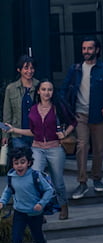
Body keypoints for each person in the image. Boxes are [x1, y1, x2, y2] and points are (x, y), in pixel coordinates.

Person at [6, 79, 75, 220]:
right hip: (37, 148)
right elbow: (33, 131)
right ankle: (39, 210)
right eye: (43, 89)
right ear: (38, 91)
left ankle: (63, 206)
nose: (46, 92)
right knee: (35, 180)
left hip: (54, 147)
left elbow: (73, 121)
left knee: (58, 181)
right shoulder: (33, 109)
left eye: (49, 89)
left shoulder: (58, 107)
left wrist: (65, 133)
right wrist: (14, 130)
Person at [62, 37, 103, 199]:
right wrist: (65, 110)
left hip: (99, 115)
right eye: (84, 48)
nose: (86, 51)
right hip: (80, 115)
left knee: (99, 149)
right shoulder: (75, 69)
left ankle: (97, 178)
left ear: (97, 50)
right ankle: (82, 182)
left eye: (89, 48)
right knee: (82, 146)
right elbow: (63, 90)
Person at [0, 146, 52, 243]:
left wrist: (41, 203)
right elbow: (8, 191)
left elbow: (49, 190)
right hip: (19, 213)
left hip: (35, 213)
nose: (19, 166)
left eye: (22, 162)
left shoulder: (35, 176)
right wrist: (2, 201)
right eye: (16, 163)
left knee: (37, 235)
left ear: (29, 162)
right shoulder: (12, 177)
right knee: (16, 239)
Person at [2, 55, 39, 156]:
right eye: (26, 68)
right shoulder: (11, 88)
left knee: (36, 164)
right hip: (18, 134)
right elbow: (7, 114)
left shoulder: (39, 86)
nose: (29, 71)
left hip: (36, 134)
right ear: (19, 69)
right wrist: (5, 135)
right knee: (21, 161)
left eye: (32, 68)